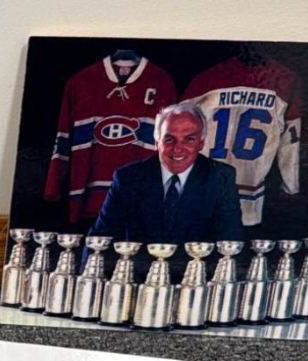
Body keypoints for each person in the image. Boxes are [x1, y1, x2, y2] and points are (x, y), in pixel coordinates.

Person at [87, 101, 243, 283]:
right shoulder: (128, 177)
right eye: (169, 139)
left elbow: (230, 239)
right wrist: (88, 283)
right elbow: (99, 238)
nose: (177, 148)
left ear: (201, 143)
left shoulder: (220, 177)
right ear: (156, 142)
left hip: (197, 284)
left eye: (189, 139)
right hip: (136, 284)